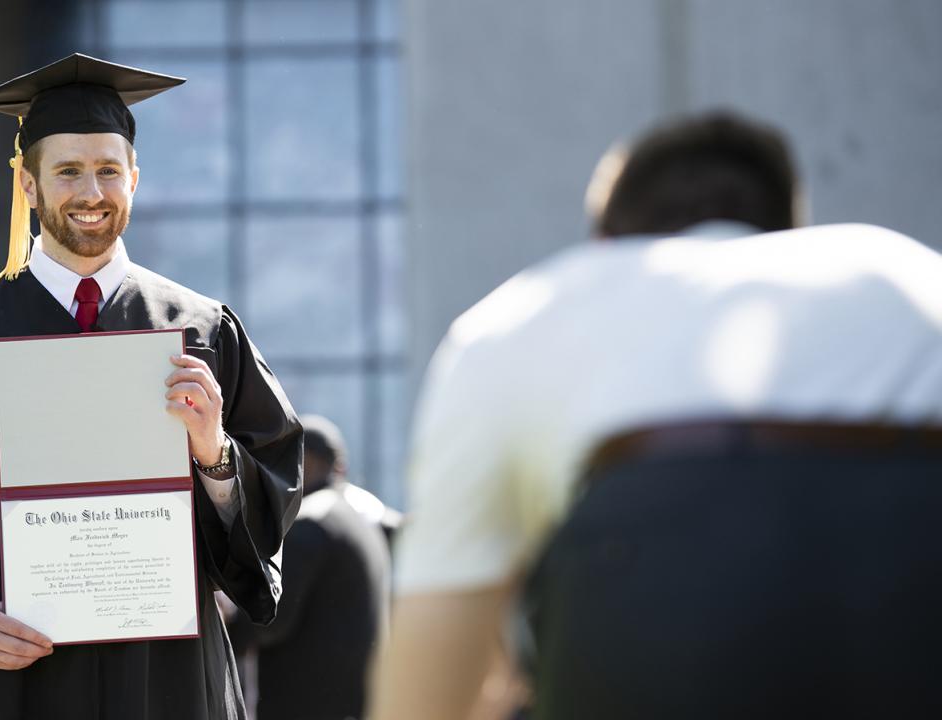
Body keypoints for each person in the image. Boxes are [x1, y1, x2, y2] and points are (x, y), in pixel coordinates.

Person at [370, 112, 942, 719]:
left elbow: (428, 690)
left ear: (608, 244)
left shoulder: (528, 314)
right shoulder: (910, 272)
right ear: (787, 232)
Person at [0, 53, 302, 719]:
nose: (91, 192)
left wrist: (215, 452)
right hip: (22, 685)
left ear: (134, 180)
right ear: (30, 186)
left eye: (108, 171)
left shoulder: (202, 330)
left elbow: (272, 501)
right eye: (67, 171)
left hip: (170, 683)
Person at [229, 415, 390, 720]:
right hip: (352, 702)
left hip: (307, 704)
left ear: (305, 462)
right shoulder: (359, 519)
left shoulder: (311, 523)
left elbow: (270, 619)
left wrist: (225, 626)